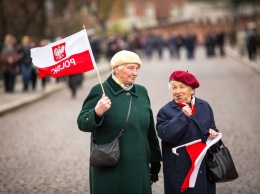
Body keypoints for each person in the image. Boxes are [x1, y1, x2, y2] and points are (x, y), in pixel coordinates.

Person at [77, 50, 162, 194]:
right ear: (116, 68)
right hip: (111, 167)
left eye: (137, 68)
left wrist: (155, 159)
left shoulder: (141, 92)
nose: (135, 73)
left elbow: (150, 131)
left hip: (139, 166)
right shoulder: (100, 90)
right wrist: (97, 112)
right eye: (130, 68)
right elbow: (82, 123)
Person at [156, 70, 220, 194]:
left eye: (182, 87)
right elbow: (165, 134)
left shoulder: (204, 106)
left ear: (192, 89)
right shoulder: (165, 111)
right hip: (180, 169)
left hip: (203, 166)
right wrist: (182, 117)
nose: (177, 91)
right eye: (174, 87)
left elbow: (213, 129)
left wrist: (214, 133)